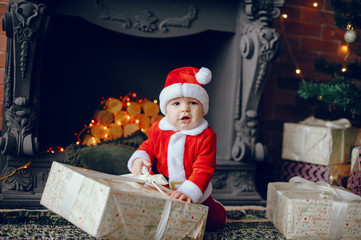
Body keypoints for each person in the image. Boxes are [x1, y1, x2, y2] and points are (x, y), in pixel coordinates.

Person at [127, 66, 227, 231]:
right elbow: (148, 147)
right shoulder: (158, 130)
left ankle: (217, 208)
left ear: (203, 110)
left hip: (194, 189)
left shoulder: (206, 136)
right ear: (165, 110)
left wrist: (189, 191)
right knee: (151, 219)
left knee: (213, 222)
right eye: (176, 103)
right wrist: (140, 158)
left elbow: (204, 168)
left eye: (193, 103)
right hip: (162, 187)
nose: (184, 109)